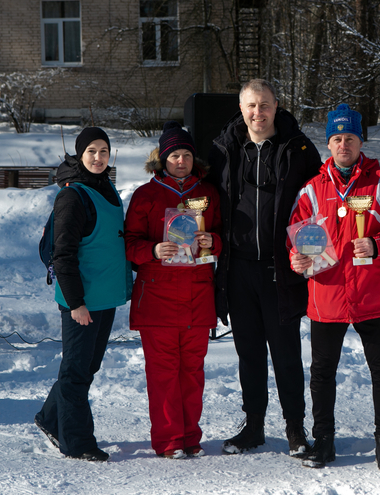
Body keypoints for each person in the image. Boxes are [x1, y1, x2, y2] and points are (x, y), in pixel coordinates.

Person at [289, 104, 380, 472]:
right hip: (327, 296)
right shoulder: (312, 190)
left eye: (349, 137)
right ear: (328, 144)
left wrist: (379, 244)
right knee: (322, 373)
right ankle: (324, 441)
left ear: (360, 141)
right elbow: (296, 238)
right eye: (336, 138)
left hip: (373, 295)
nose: (343, 143)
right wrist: (296, 259)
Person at [206, 79, 321, 457]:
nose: (259, 113)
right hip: (237, 269)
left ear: (276, 106)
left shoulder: (299, 148)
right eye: (251, 106)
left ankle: (294, 428)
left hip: (281, 268)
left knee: (286, 353)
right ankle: (253, 425)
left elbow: (317, 206)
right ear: (241, 109)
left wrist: (311, 254)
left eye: (265, 105)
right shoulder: (223, 149)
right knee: (249, 353)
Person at [124, 121, 222, 459]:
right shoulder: (145, 195)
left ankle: (191, 437)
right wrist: (152, 251)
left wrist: (214, 241)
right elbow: (130, 244)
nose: (181, 161)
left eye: (186, 155)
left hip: (197, 294)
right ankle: (169, 441)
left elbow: (223, 235)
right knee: (164, 373)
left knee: (193, 372)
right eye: (174, 155)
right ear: (162, 159)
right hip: (158, 297)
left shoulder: (208, 193)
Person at [34, 127, 132, 462]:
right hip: (82, 301)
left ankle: (49, 418)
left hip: (103, 297)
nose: (98, 157)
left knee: (85, 367)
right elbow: (64, 255)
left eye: (103, 151)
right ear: (79, 155)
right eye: (91, 151)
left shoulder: (106, 189)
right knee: (76, 372)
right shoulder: (72, 196)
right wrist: (76, 303)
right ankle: (77, 442)